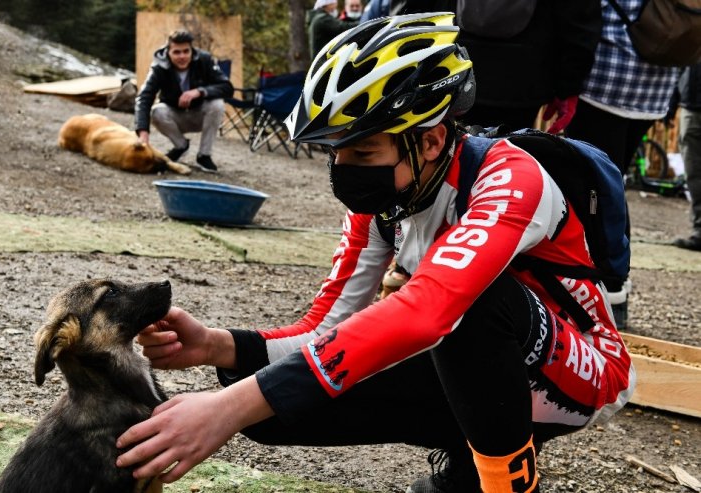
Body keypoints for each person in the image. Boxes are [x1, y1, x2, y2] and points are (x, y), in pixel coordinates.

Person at [116, 14, 635, 493]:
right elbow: (323, 331)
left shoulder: (510, 179)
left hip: (581, 371)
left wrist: (227, 408)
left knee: (468, 304)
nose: (345, 170)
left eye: (363, 152)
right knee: (271, 408)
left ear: (430, 142)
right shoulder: (385, 199)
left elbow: (429, 311)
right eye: (336, 152)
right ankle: (466, 462)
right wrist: (217, 346)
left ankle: (504, 483)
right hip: (469, 358)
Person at [565, 0, 680, 327]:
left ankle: (607, 289)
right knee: (608, 185)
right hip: (655, 85)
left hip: (606, 80)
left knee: (596, 191)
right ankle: (613, 287)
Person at [456, 0, 602, 132]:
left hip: (458, 67)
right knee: (507, 154)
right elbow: (578, 20)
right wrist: (568, 88)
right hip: (523, 79)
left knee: (453, 150)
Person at [135, 30, 233, 173]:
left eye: (186, 51)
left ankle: (204, 155)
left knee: (217, 104)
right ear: (168, 52)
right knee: (156, 111)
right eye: (177, 52)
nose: (182, 56)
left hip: (201, 114)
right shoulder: (159, 67)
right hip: (175, 116)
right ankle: (181, 146)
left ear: (191, 50)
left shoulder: (204, 60)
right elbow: (144, 97)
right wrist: (143, 134)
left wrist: (199, 91)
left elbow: (227, 87)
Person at [668, 64, 701, 251]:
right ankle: (700, 232)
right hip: (691, 108)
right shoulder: (692, 35)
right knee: (694, 174)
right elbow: (680, 66)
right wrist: (672, 103)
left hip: (691, 108)